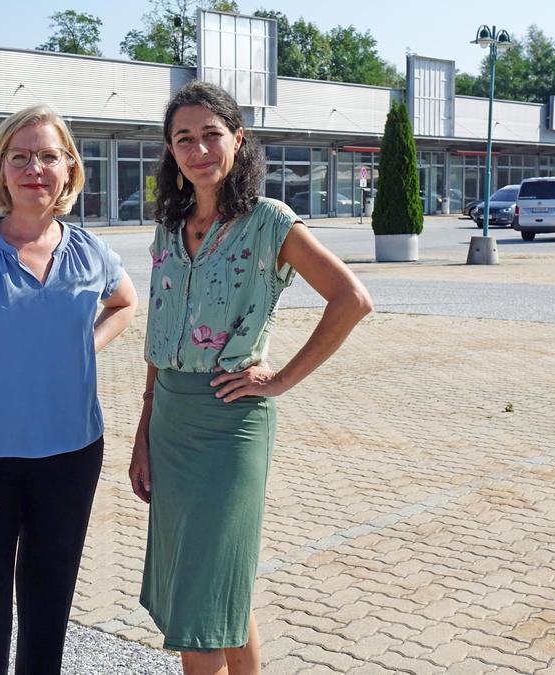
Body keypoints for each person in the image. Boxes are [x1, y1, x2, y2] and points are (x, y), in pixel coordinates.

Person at [129, 80, 374, 674]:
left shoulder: (270, 222)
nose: (199, 150)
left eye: (211, 135)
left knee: (202, 603)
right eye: (183, 138)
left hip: (229, 422)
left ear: (237, 139)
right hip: (170, 421)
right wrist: (142, 433)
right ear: (171, 151)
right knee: (222, 591)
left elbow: (352, 298)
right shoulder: (169, 226)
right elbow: (160, 341)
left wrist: (282, 380)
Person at [0, 104, 138, 674]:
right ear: (0, 170)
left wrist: (82, 348)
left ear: (69, 167)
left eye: (48, 156)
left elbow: (125, 303)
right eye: (20, 157)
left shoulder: (91, 251)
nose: (34, 168)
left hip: (70, 461)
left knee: (47, 619)